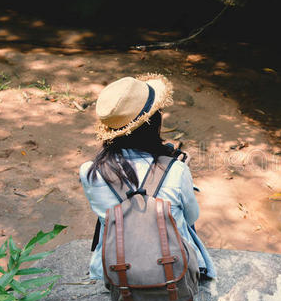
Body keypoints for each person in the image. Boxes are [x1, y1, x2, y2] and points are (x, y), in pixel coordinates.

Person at [79, 74, 215, 281]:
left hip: (116, 272)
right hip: (173, 272)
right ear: (153, 123)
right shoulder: (175, 170)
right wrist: (177, 170)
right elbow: (191, 218)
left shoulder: (90, 172)